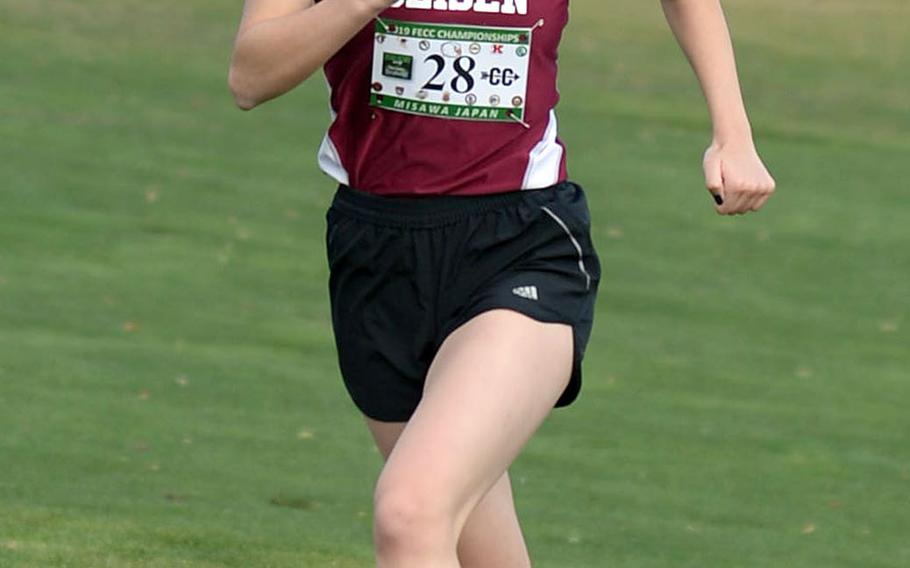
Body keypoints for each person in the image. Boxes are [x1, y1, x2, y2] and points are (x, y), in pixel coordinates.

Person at [228, 0, 776, 566]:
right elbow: (250, 75)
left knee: (409, 512)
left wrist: (732, 132)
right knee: (477, 548)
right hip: (377, 256)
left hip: (519, 245)